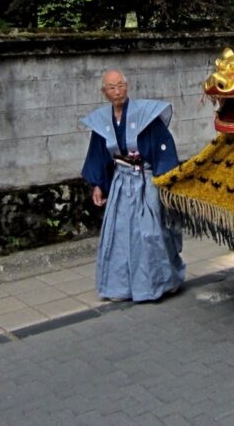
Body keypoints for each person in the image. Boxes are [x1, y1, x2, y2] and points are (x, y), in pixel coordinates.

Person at [80, 69, 185, 302]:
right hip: (121, 181)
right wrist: (99, 185)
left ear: (127, 87)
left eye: (121, 85)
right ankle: (120, 287)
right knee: (118, 235)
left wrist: (165, 179)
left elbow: (163, 146)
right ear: (104, 92)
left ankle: (162, 282)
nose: (117, 91)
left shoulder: (145, 114)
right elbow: (98, 155)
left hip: (146, 180)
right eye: (112, 87)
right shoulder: (102, 121)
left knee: (151, 233)